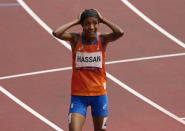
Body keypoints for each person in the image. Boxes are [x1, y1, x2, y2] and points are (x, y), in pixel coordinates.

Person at [53, 9, 124, 131]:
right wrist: (76, 21)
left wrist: (103, 19)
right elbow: (56, 33)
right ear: (82, 25)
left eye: (95, 23)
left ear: (98, 24)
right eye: (87, 23)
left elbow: (120, 32)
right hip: (79, 96)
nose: (91, 27)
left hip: (99, 95)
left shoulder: (102, 39)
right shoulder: (75, 39)